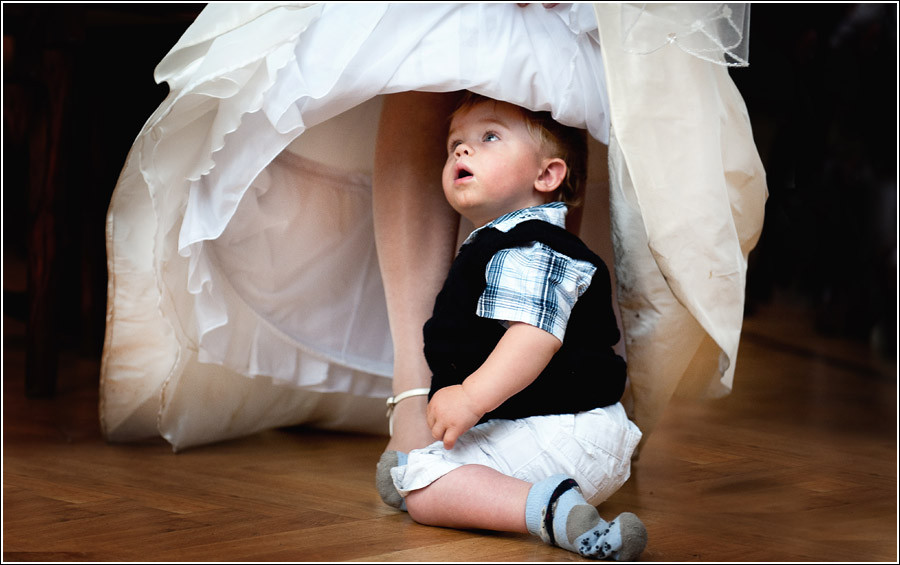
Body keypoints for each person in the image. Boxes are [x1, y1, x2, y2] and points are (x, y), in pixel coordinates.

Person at [375, 93, 646, 560]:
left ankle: (548, 509)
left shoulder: (530, 247)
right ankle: (431, 470)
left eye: (489, 137)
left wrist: (471, 397)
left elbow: (534, 337)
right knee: (436, 465)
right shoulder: (506, 243)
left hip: (569, 430)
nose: (461, 150)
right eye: (454, 143)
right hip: (553, 426)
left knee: (425, 492)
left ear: (547, 175)